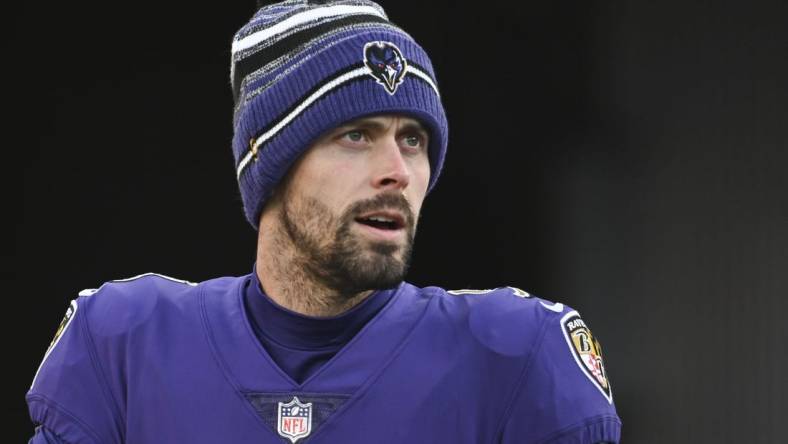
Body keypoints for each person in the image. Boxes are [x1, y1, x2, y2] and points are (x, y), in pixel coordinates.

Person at [26, 1, 622, 443]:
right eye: (355, 135)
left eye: (413, 139)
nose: (397, 171)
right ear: (268, 158)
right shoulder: (124, 346)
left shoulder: (516, 353)